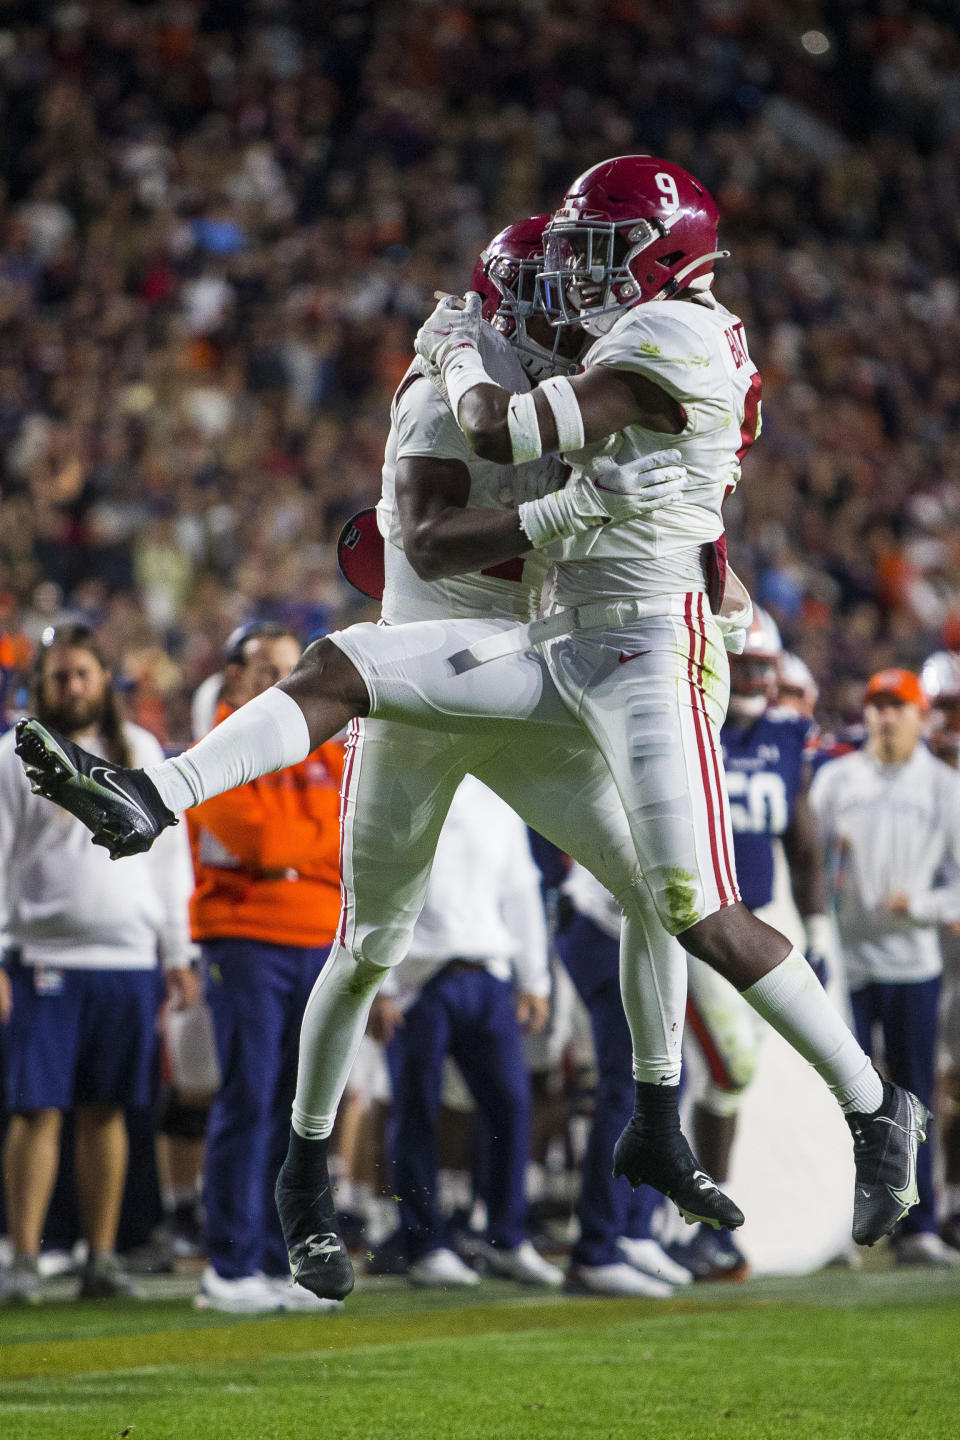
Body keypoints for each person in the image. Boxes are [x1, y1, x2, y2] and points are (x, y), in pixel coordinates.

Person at [17, 158, 928, 1300]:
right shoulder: (461, 375)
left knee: (673, 895)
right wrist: (556, 496)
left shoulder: (624, 348)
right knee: (375, 932)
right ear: (508, 304)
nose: (570, 299)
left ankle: (689, 1114)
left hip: (553, 660)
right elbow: (440, 539)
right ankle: (307, 1170)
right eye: (549, 286)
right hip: (455, 658)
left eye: (579, 276)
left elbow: (648, 484)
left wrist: (678, 553)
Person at [0, 624, 197, 1302]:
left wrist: (178, 950)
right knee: (36, 1110)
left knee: (108, 1112)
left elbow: (172, 864)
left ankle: (101, 1257)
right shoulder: (10, 758)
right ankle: (24, 1258)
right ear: (40, 685)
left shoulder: (140, 749)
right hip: (44, 955)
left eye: (83, 673)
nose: (73, 687)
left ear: (103, 679)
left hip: (128, 958)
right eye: (59, 676)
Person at [188, 622, 345, 1312]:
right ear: (233, 679)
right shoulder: (215, 746)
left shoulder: (321, 745)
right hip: (244, 939)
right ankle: (228, 1265)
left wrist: (297, 851)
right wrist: (308, 847)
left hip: (317, 940)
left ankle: (285, 1261)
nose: (280, 680)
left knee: (301, 1113)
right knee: (249, 1100)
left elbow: (355, 828)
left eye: (291, 666)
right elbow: (258, 836)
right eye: (264, 668)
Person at [681, 607, 830, 1281]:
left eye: (766, 666)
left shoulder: (785, 734)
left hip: (761, 930)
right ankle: (688, 1215)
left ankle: (704, 1220)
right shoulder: (691, 725)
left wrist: (817, 927)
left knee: (725, 1082)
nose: (756, 677)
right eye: (746, 663)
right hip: (700, 931)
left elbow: (803, 843)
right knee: (725, 1068)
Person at [368, 774, 562, 1289]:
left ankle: (506, 1238)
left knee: (511, 1106)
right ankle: (424, 1243)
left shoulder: (499, 797)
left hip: (487, 973)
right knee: (416, 1112)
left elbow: (521, 891)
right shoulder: (397, 793)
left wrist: (534, 979)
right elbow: (373, 885)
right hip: (417, 981)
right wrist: (380, 983)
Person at [809, 668, 960, 1266]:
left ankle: (917, 1223)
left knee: (914, 1097)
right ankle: (836, 1226)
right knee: (844, 1095)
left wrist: (920, 905)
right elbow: (805, 859)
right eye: (876, 705)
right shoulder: (836, 780)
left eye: (897, 706)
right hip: (847, 964)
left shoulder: (944, 788)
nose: (885, 716)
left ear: (920, 717)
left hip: (912, 964)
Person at [555, 859, 693, 1296]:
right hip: (604, 925)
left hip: (627, 927)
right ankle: (596, 1250)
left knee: (669, 1080)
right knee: (630, 1087)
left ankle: (633, 1230)